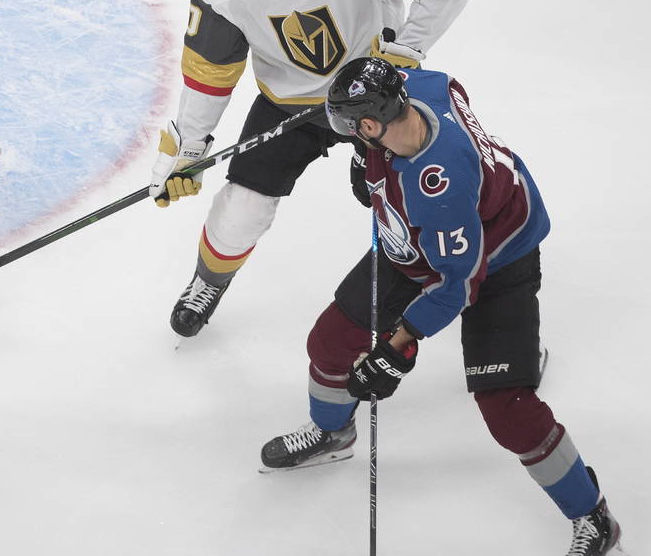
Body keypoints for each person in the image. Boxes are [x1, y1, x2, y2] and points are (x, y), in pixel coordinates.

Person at [257, 57, 623, 555]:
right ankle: (332, 433)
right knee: (330, 342)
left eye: (351, 130)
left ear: (371, 123)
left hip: (498, 255)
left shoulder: (439, 189)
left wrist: (396, 350)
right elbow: (449, 83)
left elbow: (457, 286)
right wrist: (370, 157)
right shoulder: (416, 88)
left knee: (507, 408)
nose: (347, 136)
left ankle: (593, 515)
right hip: (421, 241)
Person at [150, 0, 472, 337]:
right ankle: (207, 282)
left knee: (406, 199)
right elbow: (210, 70)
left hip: (371, 99)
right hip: (287, 104)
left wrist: (404, 53)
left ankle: (442, 278)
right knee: (241, 208)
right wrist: (189, 148)